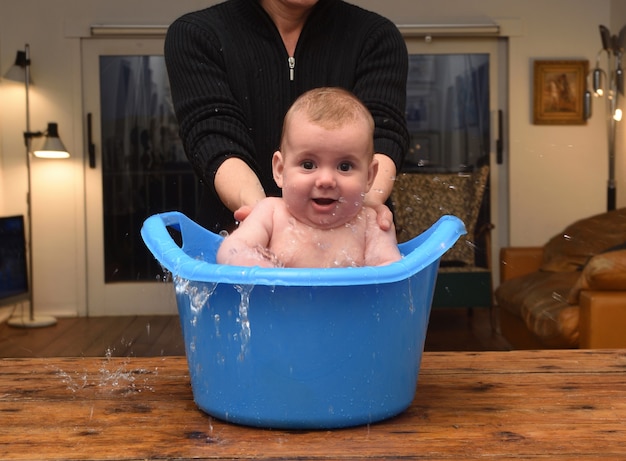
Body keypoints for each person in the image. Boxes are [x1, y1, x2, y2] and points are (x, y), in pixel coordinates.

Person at [165, 0, 409, 235]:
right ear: (277, 166)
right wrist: (265, 219)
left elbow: (383, 134)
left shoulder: (375, 37)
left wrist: (364, 209)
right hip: (236, 240)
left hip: (355, 243)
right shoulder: (198, 35)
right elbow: (213, 137)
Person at [216, 87, 402, 268]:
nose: (326, 180)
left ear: (369, 176)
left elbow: (389, 272)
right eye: (308, 165)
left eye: (344, 167)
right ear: (280, 170)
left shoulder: (371, 224)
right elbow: (231, 249)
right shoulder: (270, 214)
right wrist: (255, 265)